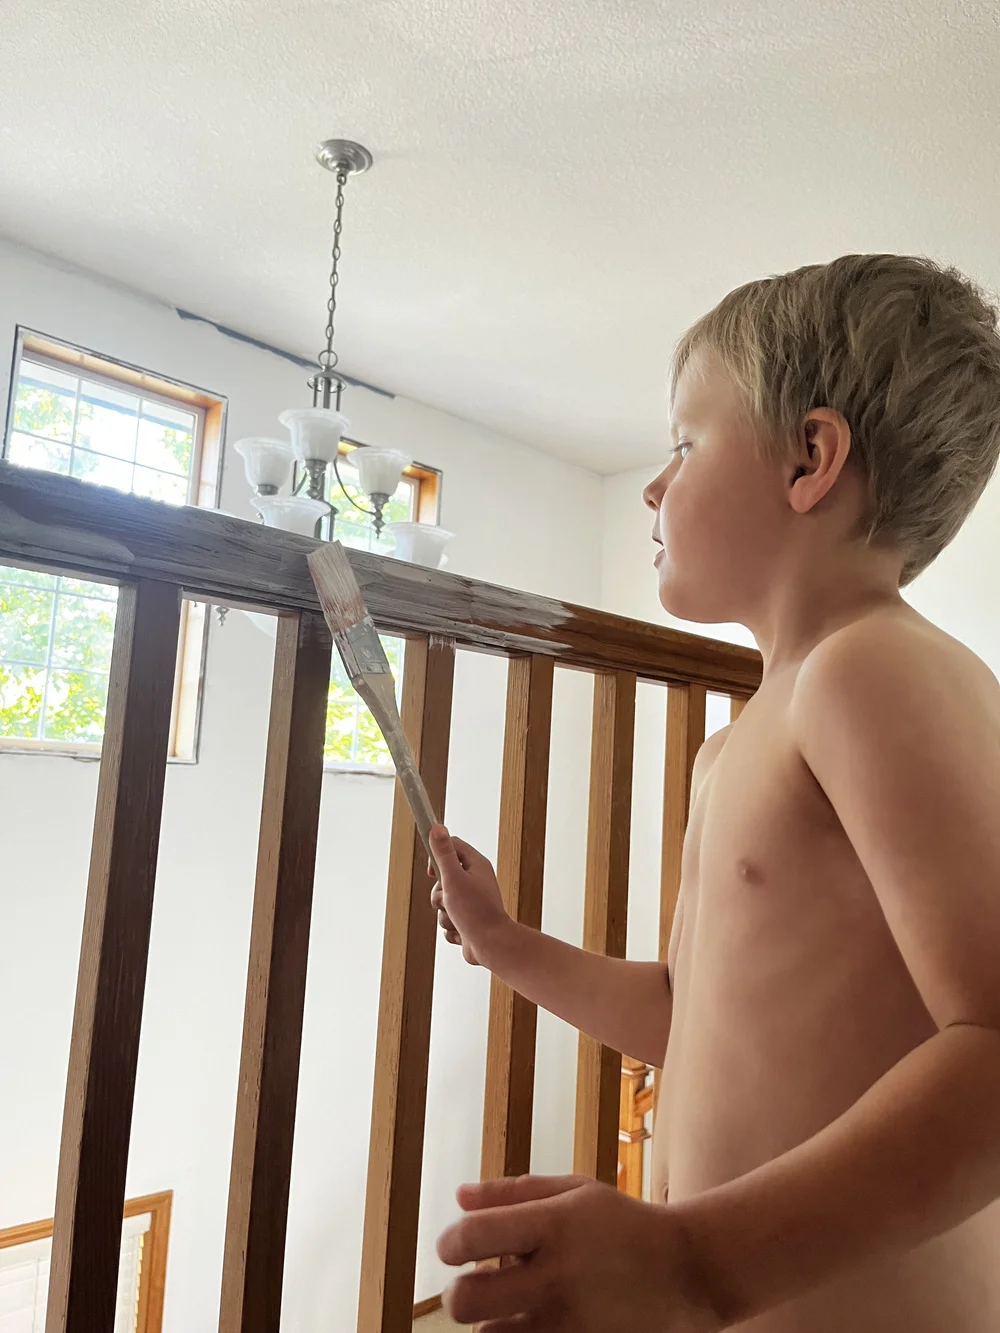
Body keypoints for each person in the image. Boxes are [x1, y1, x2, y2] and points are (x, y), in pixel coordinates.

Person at [427, 253, 1000, 1331]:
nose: (652, 483)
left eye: (683, 443)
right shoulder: (738, 744)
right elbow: (691, 1020)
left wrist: (700, 1260)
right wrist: (505, 944)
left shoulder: (869, 670)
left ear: (809, 460)